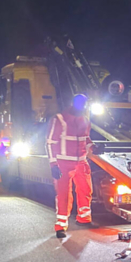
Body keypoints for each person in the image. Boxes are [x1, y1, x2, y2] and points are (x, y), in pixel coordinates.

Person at [47, 93, 93, 238]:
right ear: (73, 103)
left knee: (85, 189)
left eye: (84, 103)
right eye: (80, 103)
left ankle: (84, 218)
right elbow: (50, 143)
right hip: (63, 162)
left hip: (81, 161)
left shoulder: (85, 119)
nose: (82, 106)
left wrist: (93, 147)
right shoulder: (59, 119)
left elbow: (86, 138)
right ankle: (61, 226)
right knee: (63, 194)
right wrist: (53, 164)